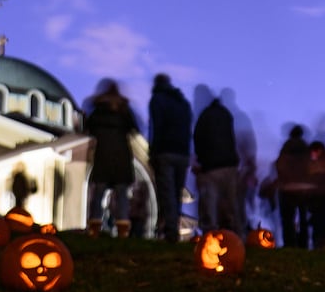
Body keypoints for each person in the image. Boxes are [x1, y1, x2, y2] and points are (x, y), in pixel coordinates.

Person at [84, 78, 139, 237]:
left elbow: (88, 128)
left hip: (103, 155)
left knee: (99, 193)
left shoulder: (97, 111)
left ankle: (94, 226)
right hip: (121, 156)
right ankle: (122, 227)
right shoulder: (124, 112)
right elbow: (134, 129)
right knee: (121, 194)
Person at [148, 73, 192, 240]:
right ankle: (171, 226)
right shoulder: (183, 103)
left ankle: (170, 229)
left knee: (167, 193)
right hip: (182, 152)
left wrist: (153, 151)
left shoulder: (157, 100)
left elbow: (156, 126)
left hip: (165, 151)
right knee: (176, 192)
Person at [193, 95, 243, 232]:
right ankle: (234, 231)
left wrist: (201, 159)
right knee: (231, 201)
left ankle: (211, 232)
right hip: (230, 164)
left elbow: (198, 138)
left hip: (211, 166)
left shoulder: (204, 116)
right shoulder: (227, 115)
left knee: (211, 202)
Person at [274, 125, 313, 248]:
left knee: (288, 219)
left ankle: (289, 243)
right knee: (304, 219)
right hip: (305, 188)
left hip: (287, 188)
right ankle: (304, 244)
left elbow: (279, 165)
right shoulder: (306, 148)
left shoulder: (286, 148)